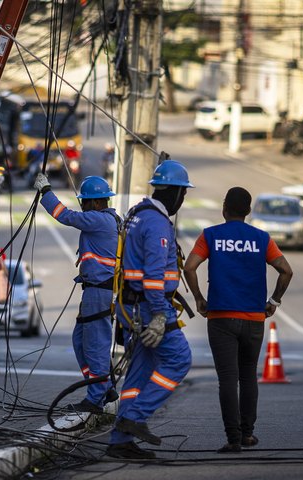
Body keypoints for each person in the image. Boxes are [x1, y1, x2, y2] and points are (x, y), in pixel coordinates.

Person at [183, 187, 293, 453]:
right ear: (248, 212)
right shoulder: (261, 238)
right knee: (248, 377)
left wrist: (198, 298)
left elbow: (189, 267)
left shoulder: (211, 235)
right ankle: (247, 434)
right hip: (254, 318)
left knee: (227, 380)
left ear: (224, 208)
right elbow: (286, 271)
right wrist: (273, 301)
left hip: (221, 318)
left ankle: (233, 439)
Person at [105, 160, 194, 460]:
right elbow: (154, 277)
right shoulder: (157, 222)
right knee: (180, 360)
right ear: (174, 192)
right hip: (150, 308)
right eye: (183, 193)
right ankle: (136, 418)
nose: (183, 200)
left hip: (131, 306)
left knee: (140, 372)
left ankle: (120, 439)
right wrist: (159, 315)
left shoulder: (137, 215)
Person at [33, 174, 121, 413]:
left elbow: (66, 216)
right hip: (93, 289)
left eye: (85, 201)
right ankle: (104, 386)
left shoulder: (99, 219)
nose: (83, 205)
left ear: (94, 202)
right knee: (81, 341)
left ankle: (95, 398)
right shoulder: (106, 219)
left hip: (98, 292)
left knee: (95, 345)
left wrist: (46, 192)